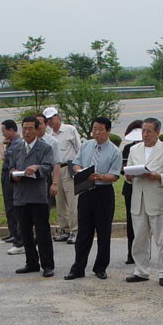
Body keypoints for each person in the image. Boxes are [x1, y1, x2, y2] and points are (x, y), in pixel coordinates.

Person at [64, 117, 122, 280]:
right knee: (84, 233)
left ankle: (100, 267)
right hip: (85, 190)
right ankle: (78, 268)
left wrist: (101, 176)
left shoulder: (114, 151)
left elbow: (115, 175)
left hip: (103, 193)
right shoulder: (86, 145)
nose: (96, 132)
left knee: (103, 233)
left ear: (108, 130)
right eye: (94, 129)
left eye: (100, 129)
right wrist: (80, 171)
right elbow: (75, 164)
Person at [125, 118, 163, 286]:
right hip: (138, 200)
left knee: (161, 239)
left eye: (149, 131)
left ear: (157, 133)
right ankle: (141, 270)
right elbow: (129, 173)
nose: (145, 135)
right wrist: (129, 176)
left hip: (157, 199)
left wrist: (159, 176)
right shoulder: (134, 149)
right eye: (143, 131)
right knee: (139, 238)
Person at [7, 117, 55, 277]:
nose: (27, 132)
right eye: (24, 129)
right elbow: (10, 167)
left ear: (37, 130)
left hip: (38, 196)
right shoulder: (17, 148)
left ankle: (48, 264)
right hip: (21, 196)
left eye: (30, 129)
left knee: (42, 233)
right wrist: (13, 174)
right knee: (25, 232)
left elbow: (48, 167)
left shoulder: (45, 148)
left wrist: (37, 168)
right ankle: (31, 262)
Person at [44, 107, 81, 245]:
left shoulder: (69, 130)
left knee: (72, 201)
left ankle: (75, 231)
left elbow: (79, 149)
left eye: (52, 118)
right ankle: (63, 229)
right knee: (59, 201)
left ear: (57, 116)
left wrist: (77, 168)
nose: (50, 122)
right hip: (55, 169)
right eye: (47, 120)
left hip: (69, 167)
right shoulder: (49, 135)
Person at [0, 119, 24, 255]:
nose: (2, 134)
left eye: (3, 130)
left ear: (11, 130)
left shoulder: (17, 143)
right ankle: (13, 232)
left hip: (12, 175)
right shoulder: (12, 143)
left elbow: (3, 157)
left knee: (13, 206)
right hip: (6, 174)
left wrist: (1, 145)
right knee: (8, 204)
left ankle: (18, 236)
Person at [120, 120, 144, 264]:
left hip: (144, 186)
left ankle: (144, 253)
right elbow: (123, 167)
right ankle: (131, 253)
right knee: (131, 222)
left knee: (144, 223)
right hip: (130, 187)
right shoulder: (128, 148)